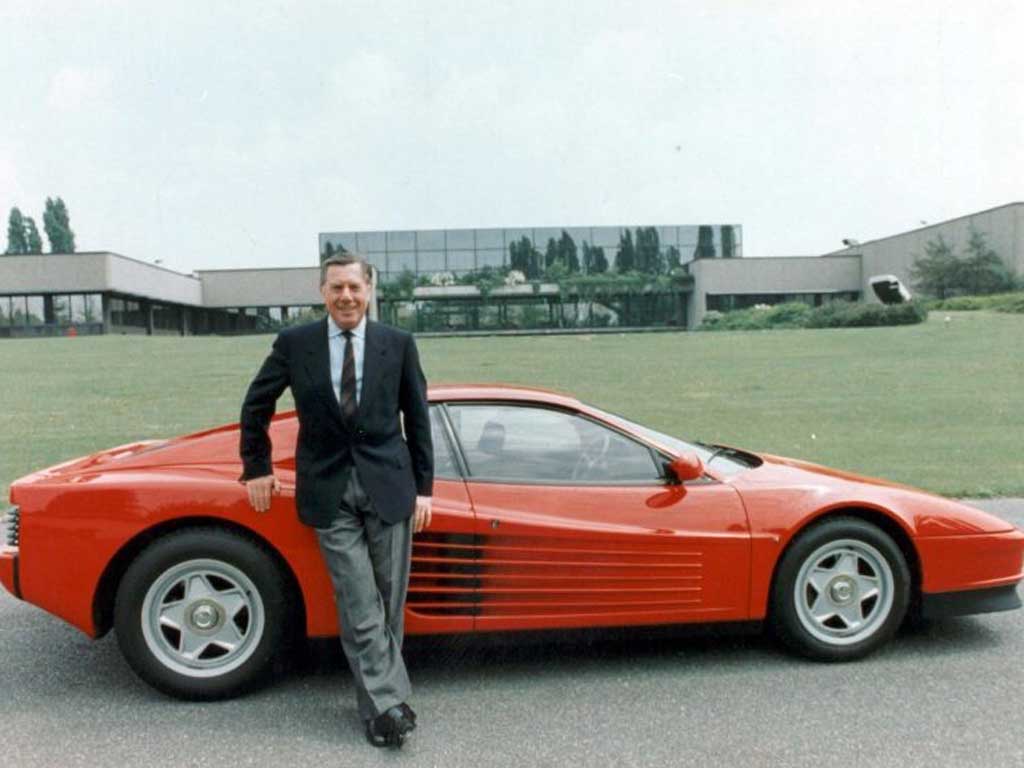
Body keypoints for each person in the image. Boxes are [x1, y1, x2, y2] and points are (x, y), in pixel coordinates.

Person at [238, 252, 433, 749]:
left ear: (369, 290)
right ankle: (390, 706)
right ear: (322, 293)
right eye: (335, 288)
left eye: (354, 287)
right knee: (359, 599)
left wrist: (425, 489)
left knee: (387, 604)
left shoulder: (398, 344)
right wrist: (257, 468)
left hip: (390, 487)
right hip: (328, 490)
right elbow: (256, 403)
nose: (346, 296)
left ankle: (379, 708)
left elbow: (418, 417)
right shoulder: (295, 343)